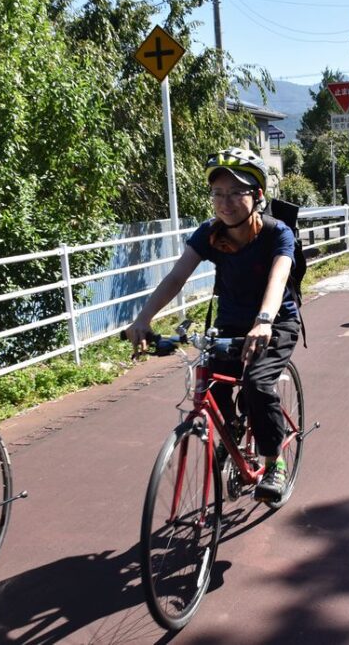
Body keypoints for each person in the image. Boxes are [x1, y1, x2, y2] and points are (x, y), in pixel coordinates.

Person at [124, 147, 300, 503]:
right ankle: (233, 432)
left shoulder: (277, 233)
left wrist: (264, 320)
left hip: (275, 322)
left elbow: (278, 278)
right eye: (218, 193)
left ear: (258, 196)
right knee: (211, 389)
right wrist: (143, 319)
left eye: (236, 192)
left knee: (256, 383)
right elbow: (176, 278)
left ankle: (274, 462)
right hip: (230, 325)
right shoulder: (209, 233)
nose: (226, 202)